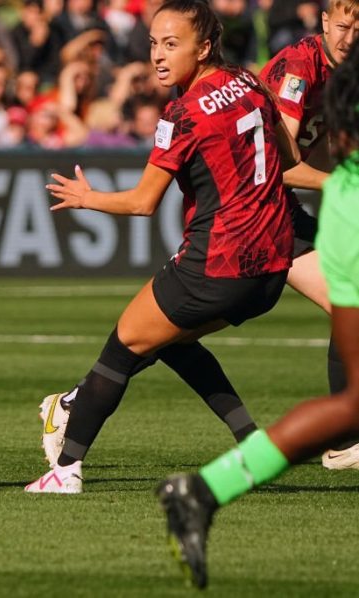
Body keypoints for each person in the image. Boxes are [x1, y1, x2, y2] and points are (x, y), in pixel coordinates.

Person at [27, 0, 303, 493]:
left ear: (204, 47)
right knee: (171, 340)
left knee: (122, 346)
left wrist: (88, 198)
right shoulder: (249, 81)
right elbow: (290, 156)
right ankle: (252, 443)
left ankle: (65, 469)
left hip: (217, 263)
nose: (157, 54)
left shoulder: (183, 112)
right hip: (273, 266)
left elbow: (142, 202)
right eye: (154, 43)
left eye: (171, 44)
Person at [157, 39, 359, 589]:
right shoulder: (294, 71)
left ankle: (206, 490)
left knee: (352, 405)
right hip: (311, 216)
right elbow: (292, 160)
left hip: (333, 211)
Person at [258, 0, 359, 469]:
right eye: (342, 26)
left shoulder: (345, 70)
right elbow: (279, 166)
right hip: (247, 210)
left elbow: (324, 151)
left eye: (358, 28)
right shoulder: (299, 68)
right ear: (323, 22)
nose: (350, 37)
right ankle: (345, 440)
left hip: (277, 208)